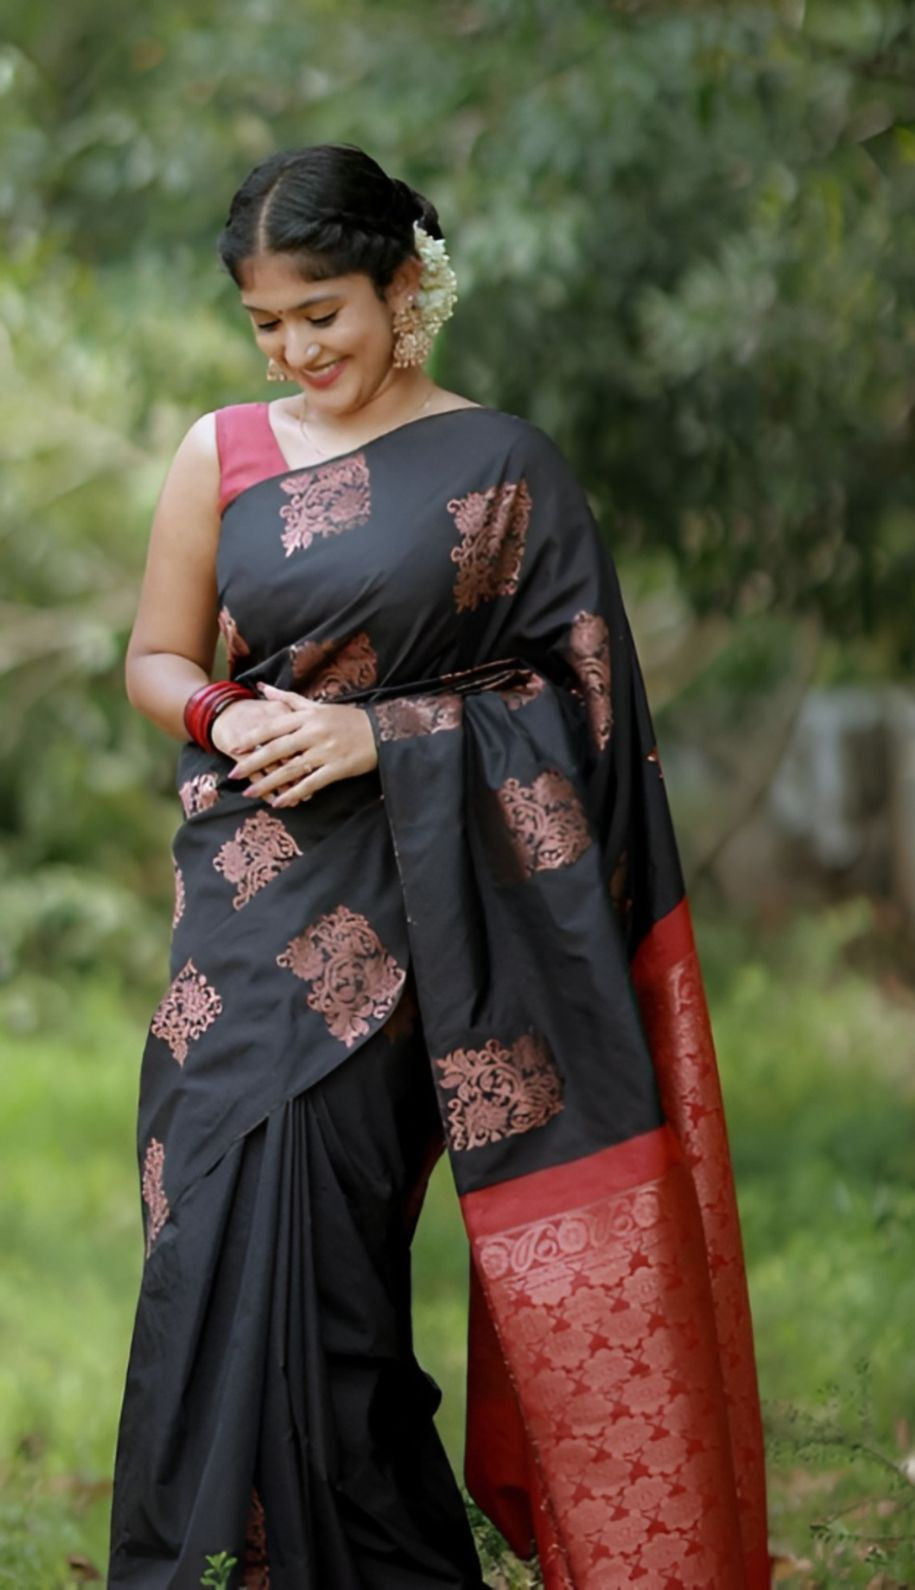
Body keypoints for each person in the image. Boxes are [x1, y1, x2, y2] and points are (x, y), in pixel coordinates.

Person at [107, 143, 769, 1590]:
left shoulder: (503, 467)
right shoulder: (217, 453)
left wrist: (379, 737)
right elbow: (158, 656)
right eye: (267, 325)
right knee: (200, 1252)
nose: (297, 349)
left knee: (332, 1284)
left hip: (418, 919)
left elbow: (584, 716)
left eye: (323, 312)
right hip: (235, 916)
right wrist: (227, 712)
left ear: (406, 285)